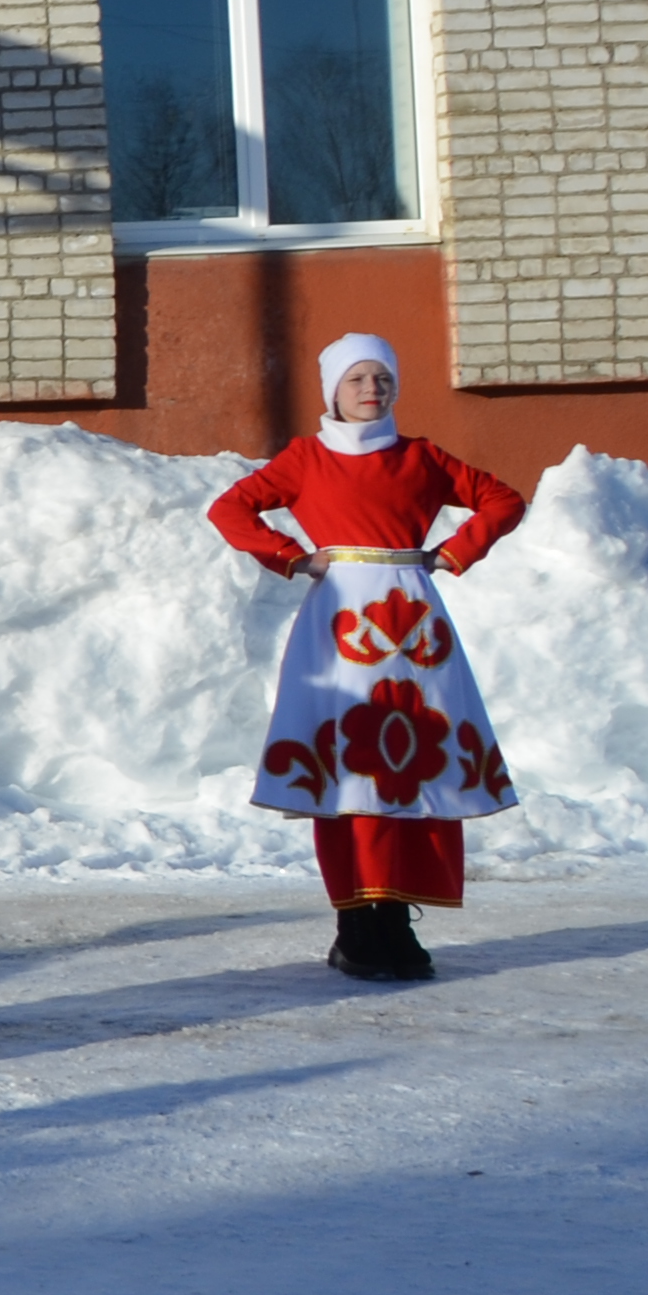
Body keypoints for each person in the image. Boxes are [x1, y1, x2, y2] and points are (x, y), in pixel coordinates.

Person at [208, 332, 528, 982]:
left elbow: (502, 499)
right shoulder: (306, 458)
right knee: (349, 763)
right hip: (338, 624)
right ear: (333, 389)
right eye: (356, 379)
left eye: (381, 379)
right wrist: (293, 556)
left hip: (414, 627)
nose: (370, 391)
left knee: (411, 761)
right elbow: (230, 509)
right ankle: (356, 924)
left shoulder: (422, 457)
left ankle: (395, 915)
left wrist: (453, 552)